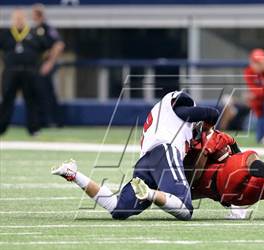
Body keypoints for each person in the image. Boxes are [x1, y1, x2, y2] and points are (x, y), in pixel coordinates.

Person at [52, 91, 219, 221]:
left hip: (146, 163)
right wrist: (208, 127)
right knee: (185, 209)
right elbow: (211, 113)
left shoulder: (163, 119)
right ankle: (149, 193)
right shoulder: (179, 108)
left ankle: (72, 174)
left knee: (118, 209)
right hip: (164, 153)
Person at [0, 9, 52, 136]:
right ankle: (1, 128)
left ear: (25, 19)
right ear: (12, 20)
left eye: (21, 18)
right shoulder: (5, 33)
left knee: (31, 100)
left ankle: (33, 128)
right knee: (6, 100)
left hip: (30, 71)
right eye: (16, 18)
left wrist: (46, 63)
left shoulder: (35, 33)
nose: (18, 20)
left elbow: (48, 47)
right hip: (11, 71)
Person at [32, 4, 65, 127]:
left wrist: (50, 63)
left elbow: (59, 44)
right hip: (37, 65)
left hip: (46, 65)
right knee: (37, 92)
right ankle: (41, 121)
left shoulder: (47, 28)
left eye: (34, 14)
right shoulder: (34, 29)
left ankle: (53, 121)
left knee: (48, 92)